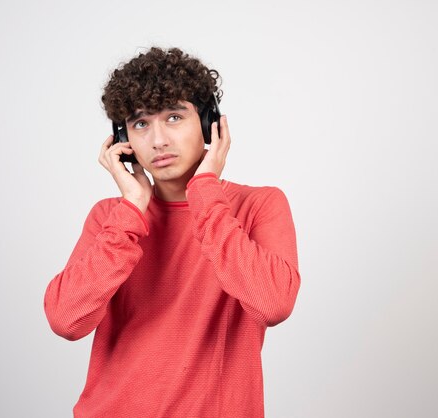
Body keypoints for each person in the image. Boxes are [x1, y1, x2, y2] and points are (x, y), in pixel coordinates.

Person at [43, 46, 301, 418]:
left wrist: (206, 192)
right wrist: (132, 206)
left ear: (211, 125)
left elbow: (273, 304)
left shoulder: (258, 206)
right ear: (123, 138)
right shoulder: (111, 219)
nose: (158, 140)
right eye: (141, 123)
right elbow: (66, 320)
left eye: (175, 117)